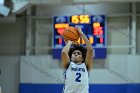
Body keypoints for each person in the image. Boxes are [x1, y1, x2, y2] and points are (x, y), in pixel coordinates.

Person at [61, 26, 93, 93]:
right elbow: (64, 52)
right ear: (70, 57)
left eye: (79, 53)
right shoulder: (68, 65)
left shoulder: (86, 66)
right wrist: (70, 41)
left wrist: (81, 34)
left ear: (83, 58)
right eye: (74, 53)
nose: (76, 54)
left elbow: (90, 50)